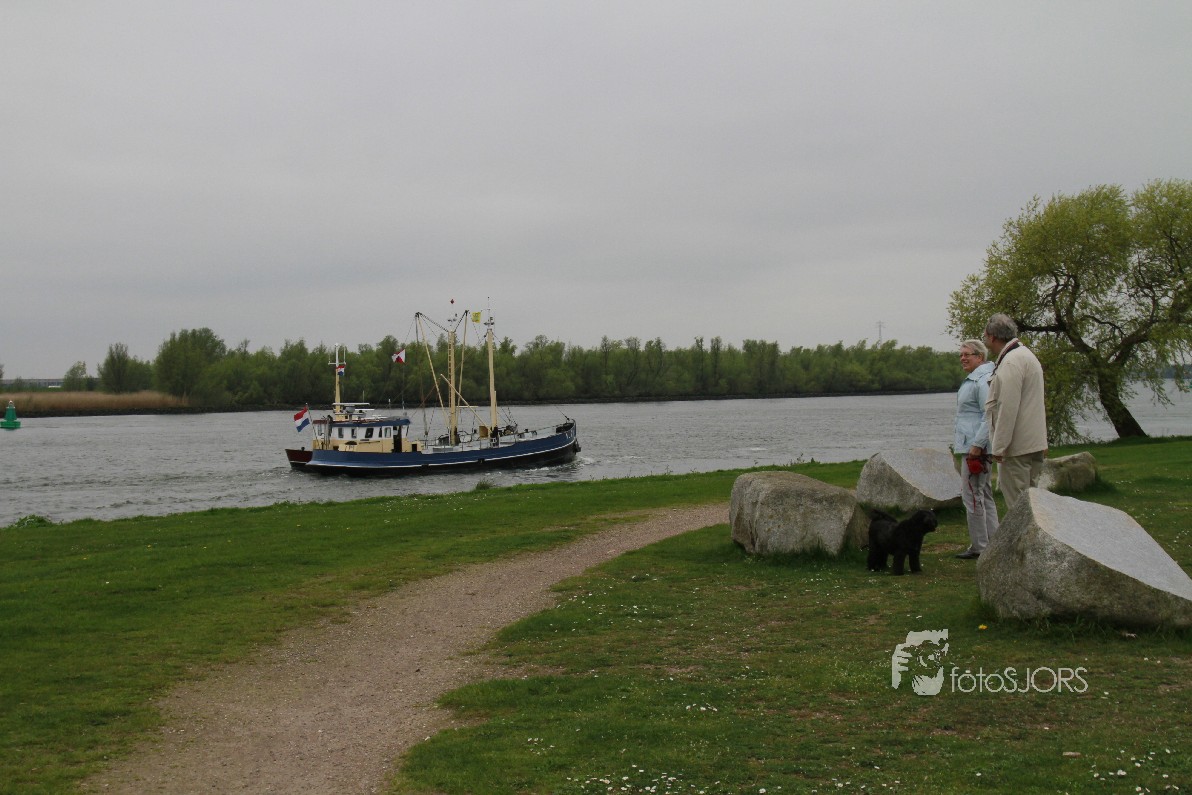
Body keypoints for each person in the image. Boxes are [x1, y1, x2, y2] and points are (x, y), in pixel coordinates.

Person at [983, 313, 1048, 511]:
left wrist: (999, 446)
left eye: (985, 335)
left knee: (1019, 508)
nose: (984, 339)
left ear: (992, 336)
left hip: (1017, 448)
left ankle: (1024, 534)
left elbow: (1007, 407)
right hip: (1032, 443)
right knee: (1031, 506)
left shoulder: (1011, 361)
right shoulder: (1026, 355)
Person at [953, 339, 997, 559]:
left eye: (967, 354)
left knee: (972, 496)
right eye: (961, 355)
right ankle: (994, 541)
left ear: (980, 357)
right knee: (983, 493)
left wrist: (977, 445)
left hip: (976, 448)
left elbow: (988, 415)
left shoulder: (981, 381)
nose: (963, 358)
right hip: (973, 445)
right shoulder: (978, 379)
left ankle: (980, 546)